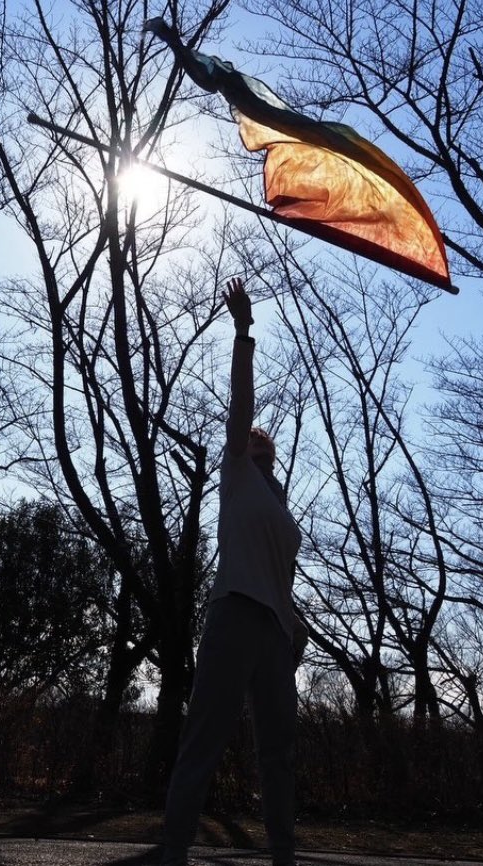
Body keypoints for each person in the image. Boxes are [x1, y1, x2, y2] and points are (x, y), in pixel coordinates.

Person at [160, 277, 306, 866]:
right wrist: (243, 332)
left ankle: (284, 857)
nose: (261, 454)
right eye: (253, 448)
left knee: (279, 757)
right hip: (232, 614)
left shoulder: (280, 509)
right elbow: (242, 404)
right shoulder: (236, 474)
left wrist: (295, 634)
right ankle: (173, 853)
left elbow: (286, 584)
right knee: (204, 741)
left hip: (274, 632)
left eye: (267, 452)